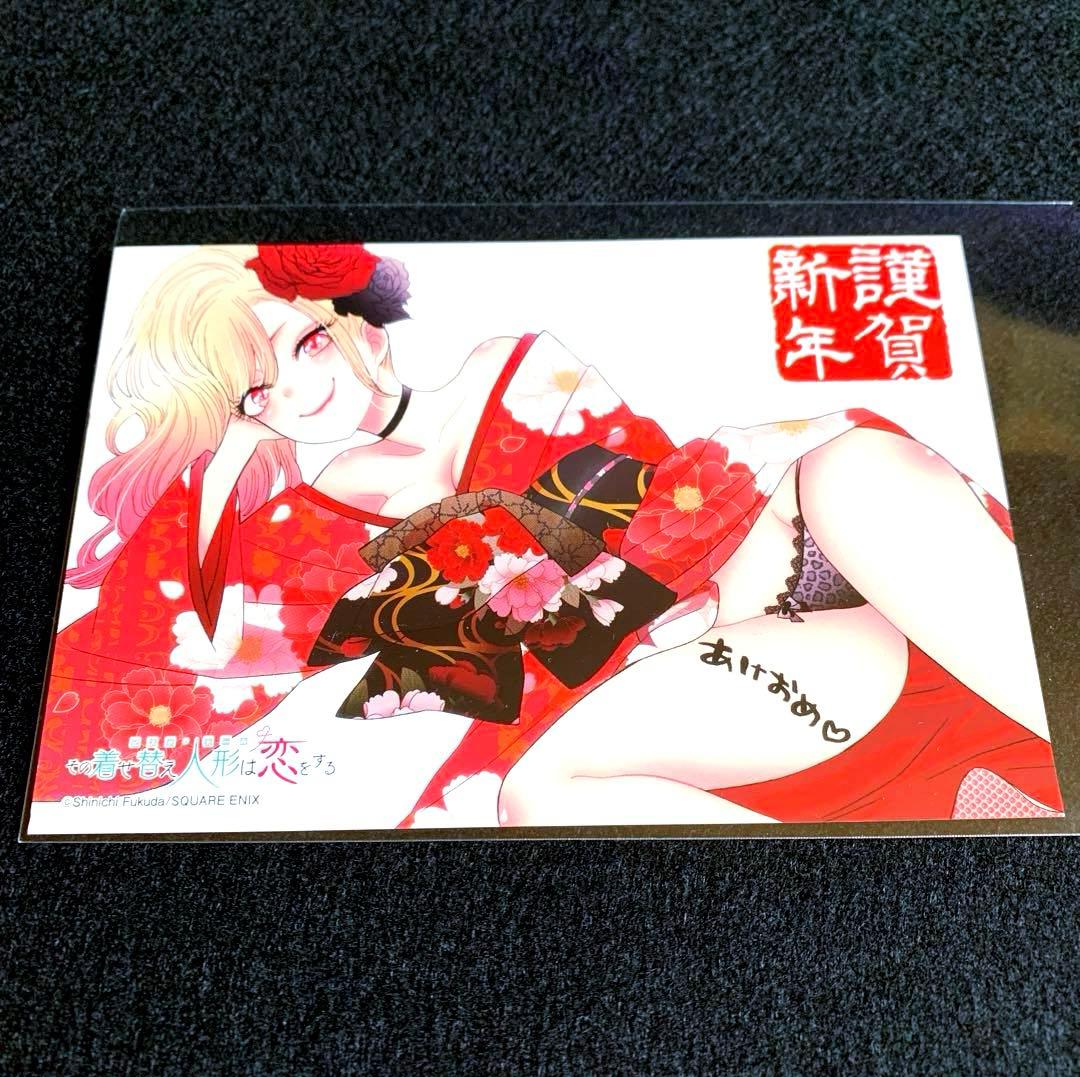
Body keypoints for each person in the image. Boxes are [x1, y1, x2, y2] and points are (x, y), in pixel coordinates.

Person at [34, 243, 1063, 827]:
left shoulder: (513, 364)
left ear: (350, 315)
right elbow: (136, 685)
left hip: (739, 572)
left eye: (304, 343)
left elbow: (659, 493)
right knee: (541, 792)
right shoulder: (303, 530)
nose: (304, 394)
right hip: (640, 685)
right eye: (259, 394)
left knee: (853, 467)